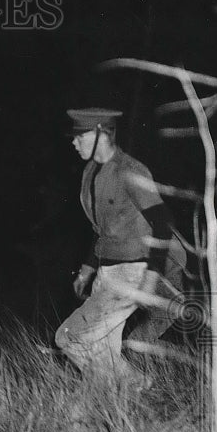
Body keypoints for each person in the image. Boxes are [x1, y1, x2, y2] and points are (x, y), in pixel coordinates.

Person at [56, 108, 186, 389]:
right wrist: (87, 270)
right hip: (107, 271)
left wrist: (150, 279)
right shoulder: (91, 172)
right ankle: (119, 408)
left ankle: (136, 382)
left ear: (102, 133)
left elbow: (162, 225)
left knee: (68, 337)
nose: (74, 142)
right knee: (103, 350)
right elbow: (101, 228)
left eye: (81, 136)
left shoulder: (131, 171)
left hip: (132, 271)